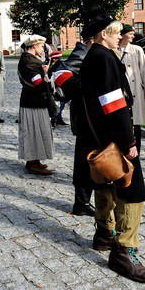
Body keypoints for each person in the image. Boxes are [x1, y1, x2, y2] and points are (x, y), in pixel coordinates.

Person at [74, 15, 145, 283]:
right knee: (132, 190)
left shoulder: (95, 56)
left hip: (98, 135)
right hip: (114, 136)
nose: (119, 36)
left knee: (104, 184)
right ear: (102, 35)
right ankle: (124, 251)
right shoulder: (104, 57)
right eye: (115, 33)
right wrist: (128, 140)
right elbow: (113, 103)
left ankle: (104, 233)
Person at [55, 31, 95, 216]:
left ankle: (85, 201)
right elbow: (60, 74)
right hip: (86, 117)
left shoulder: (96, 53)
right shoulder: (82, 53)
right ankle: (81, 202)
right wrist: (86, 89)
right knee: (84, 161)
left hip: (95, 116)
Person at [17, 34, 54, 176]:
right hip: (33, 101)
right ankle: (32, 162)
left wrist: (43, 71)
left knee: (36, 131)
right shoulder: (30, 62)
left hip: (33, 101)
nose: (42, 49)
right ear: (34, 46)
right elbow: (38, 83)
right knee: (34, 132)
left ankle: (35, 160)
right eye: (40, 46)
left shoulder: (30, 60)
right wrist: (51, 84)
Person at [116, 24, 145, 154]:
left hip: (135, 91)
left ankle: (136, 150)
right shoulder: (113, 50)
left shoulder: (137, 50)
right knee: (122, 122)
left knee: (135, 122)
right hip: (120, 92)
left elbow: (144, 70)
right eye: (130, 33)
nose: (133, 35)